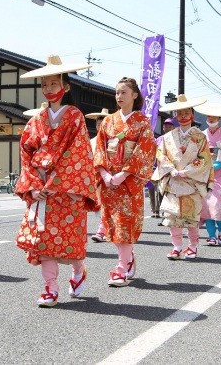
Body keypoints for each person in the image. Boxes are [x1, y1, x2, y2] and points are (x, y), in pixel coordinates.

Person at [15, 55, 99, 307]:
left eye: (53, 84)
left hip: (66, 188)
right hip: (40, 188)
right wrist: (33, 185)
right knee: (44, 243)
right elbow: (25, 154)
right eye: (44, 85)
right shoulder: (36, 121)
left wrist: (51, 184)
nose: (49, 89)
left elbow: (79, 153)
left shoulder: (74, 116)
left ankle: (78, 270)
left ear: (66, 86)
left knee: (69, 242)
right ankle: (50, 288)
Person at [94, 77, 156, 287]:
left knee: (125, 223)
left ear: (135, 95)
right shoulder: (108, 121)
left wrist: (124, 174)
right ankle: (127, 259)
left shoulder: (142, 123)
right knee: (113, 224)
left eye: (124, 92)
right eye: (117, 93)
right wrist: (104, 174)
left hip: (128, 182)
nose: (119, 96)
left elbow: (145, 152)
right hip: (109, 181)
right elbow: (100, 149)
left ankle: (121, 267)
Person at [153, 95, 212, 260]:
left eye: (186, 113)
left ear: (192, 114)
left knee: (191, 216)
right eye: (179, 113)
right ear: (175, 116)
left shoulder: (200, 137)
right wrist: (171, 170)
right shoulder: (168, 137)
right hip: (173, 180)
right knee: (172, 216)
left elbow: (205, 159)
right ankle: (177, 246)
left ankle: (192, 246)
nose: (183, 116)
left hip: (191, 181)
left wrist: (186, 171)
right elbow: (161, 155)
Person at [194, 102, 221, 245]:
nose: (211, 119)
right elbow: (195, 153)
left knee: (219, 205)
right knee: (206, 205)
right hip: (205, 174)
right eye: (209, 116)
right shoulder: (201, 135)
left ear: (219, 118)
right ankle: (211, 235)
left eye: (214, 117)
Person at [85, 108, 111, 243]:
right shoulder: (92, 141)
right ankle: (103, 229)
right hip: (96, 175)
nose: (100, 126)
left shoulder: (115, 141)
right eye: (97, 124)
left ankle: (104, 230)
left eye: (103, 123)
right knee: (101, 204)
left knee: (109, 204)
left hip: (111, 176)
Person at [147, 118, 179, 224]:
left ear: (175, 127)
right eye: (165, 125)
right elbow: (154, 153)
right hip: (161, 169)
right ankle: (164, 216)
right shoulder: (159, 139)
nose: (167, 127)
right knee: (161, 192)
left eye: (170, 125)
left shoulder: (177, 138)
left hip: (174, 169)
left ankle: (176, 215)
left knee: (173, 193)